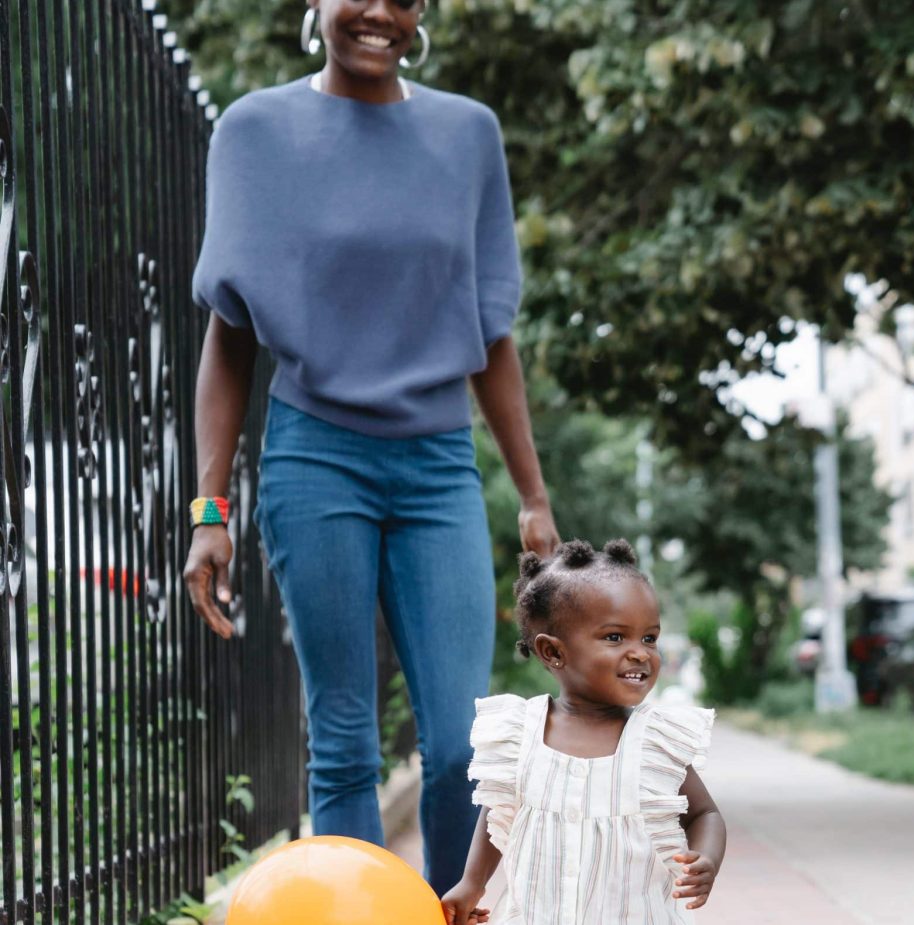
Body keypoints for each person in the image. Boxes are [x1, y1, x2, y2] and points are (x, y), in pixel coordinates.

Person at [182, 0, 559, 897]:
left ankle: (454, 913)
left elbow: (491, 332)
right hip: (317, 458)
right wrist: (209, 512)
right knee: (346, 739)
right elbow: (228, 335)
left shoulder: (468, 135)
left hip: (436, 466)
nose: (380, 12)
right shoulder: (256, 132)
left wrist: (534, 497)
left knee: (463, 743)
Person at [442, 539, 726, 925]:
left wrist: (705, 858)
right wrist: (472, 882)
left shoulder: (653, 742)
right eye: (614, 637)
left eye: (649, 637)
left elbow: (704, 813)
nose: (640, 652)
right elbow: (498, 814)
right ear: (553, 652)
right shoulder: (520, 734)